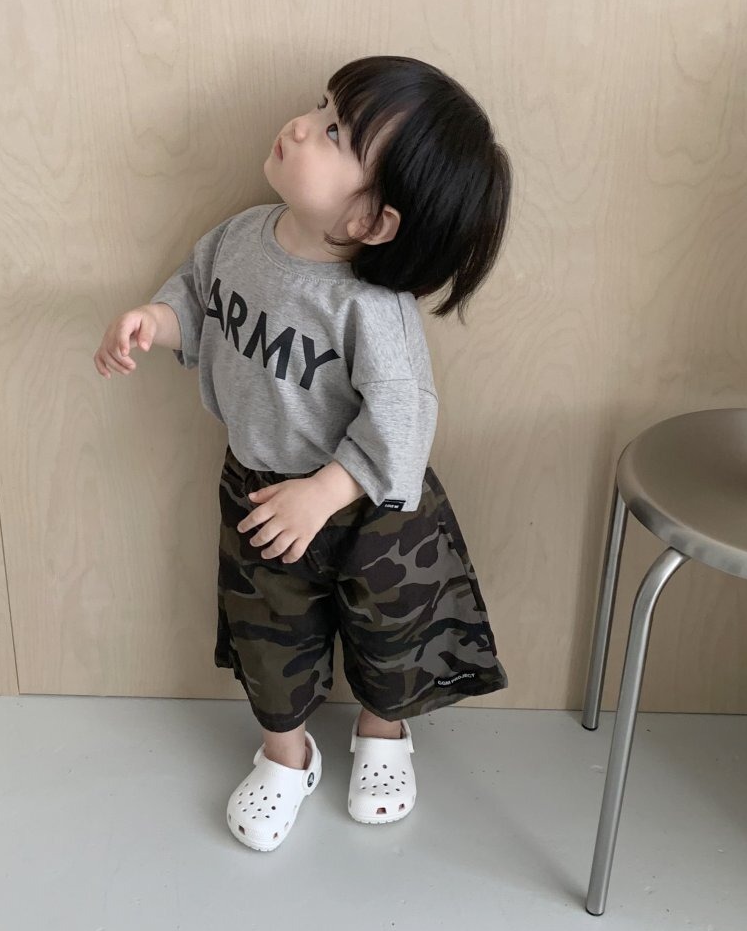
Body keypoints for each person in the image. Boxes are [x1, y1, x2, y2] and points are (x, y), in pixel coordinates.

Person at [94, 55, 513, 852]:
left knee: (390, 630)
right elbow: (196, 296)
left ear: (374, 222)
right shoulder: (242, 237)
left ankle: (384, 732)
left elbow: (406, 416)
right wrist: (154, 321)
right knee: (268, 634)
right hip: (260, 487)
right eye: (320, 107)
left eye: (334, 134)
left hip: (367, 506)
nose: (300, 126)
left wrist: (326, 491)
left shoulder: (371, 308)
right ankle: (287, 755)